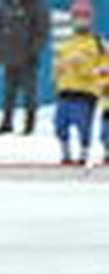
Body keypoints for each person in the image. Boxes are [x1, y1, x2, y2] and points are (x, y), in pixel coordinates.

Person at [52, 0, 108, 165]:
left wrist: (85, 69)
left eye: (85, 17)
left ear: (92, 19)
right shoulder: (67, 44)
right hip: (65, 91)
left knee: (83, 126)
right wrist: (59, 74)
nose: (81, 21)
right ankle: (65, 153)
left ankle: (84, 152)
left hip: (85, 93)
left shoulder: (97, 44)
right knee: (60, 125)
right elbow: (59, 66)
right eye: (77, 17)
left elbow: (102, 69)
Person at [0, 0, 48, 135]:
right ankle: (6, 122)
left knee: (29, 93)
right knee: (8, 93)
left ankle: (29, 124)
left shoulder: (35, 5)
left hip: (27, 58)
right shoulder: (4, 5)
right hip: (8, 56)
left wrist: (34, 51)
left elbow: (41, 31)